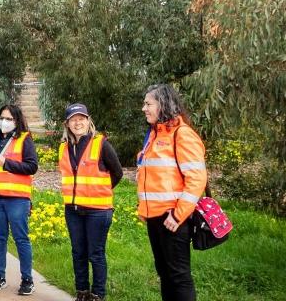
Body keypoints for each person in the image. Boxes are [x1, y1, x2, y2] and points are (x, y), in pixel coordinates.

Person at [138, 83, 207, 301]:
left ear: (163, 104)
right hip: (154, 217)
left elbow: (197, 178)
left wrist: (178, 214)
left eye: (148, 103)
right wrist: (144, 208)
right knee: (165, 274)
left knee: (179, 276)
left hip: (173, 218)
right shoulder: (154, 135)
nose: (144, 108)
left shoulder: (182, 134)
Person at [60, 103, 123, 301]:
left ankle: (98, 294)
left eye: (81, 118)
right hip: (73, 209)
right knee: (78, 252)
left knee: (95, 253)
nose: (78, 122)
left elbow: (118, 172)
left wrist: (101, 191)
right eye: (73, 119)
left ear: (88, 121)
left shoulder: (100, 143)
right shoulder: (63, 147)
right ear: (67, 123)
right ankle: (82, 291)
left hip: (98, 210)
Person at [0, 103, 38, 295]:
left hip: (17, 198)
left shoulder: (24, 139)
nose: (4, 122)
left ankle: (27, 279)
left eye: (9, 119)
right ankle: (0, 276)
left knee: (21, 239)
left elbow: (31, 167)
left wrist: (7, 163)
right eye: (2, 118)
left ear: (17, 121)